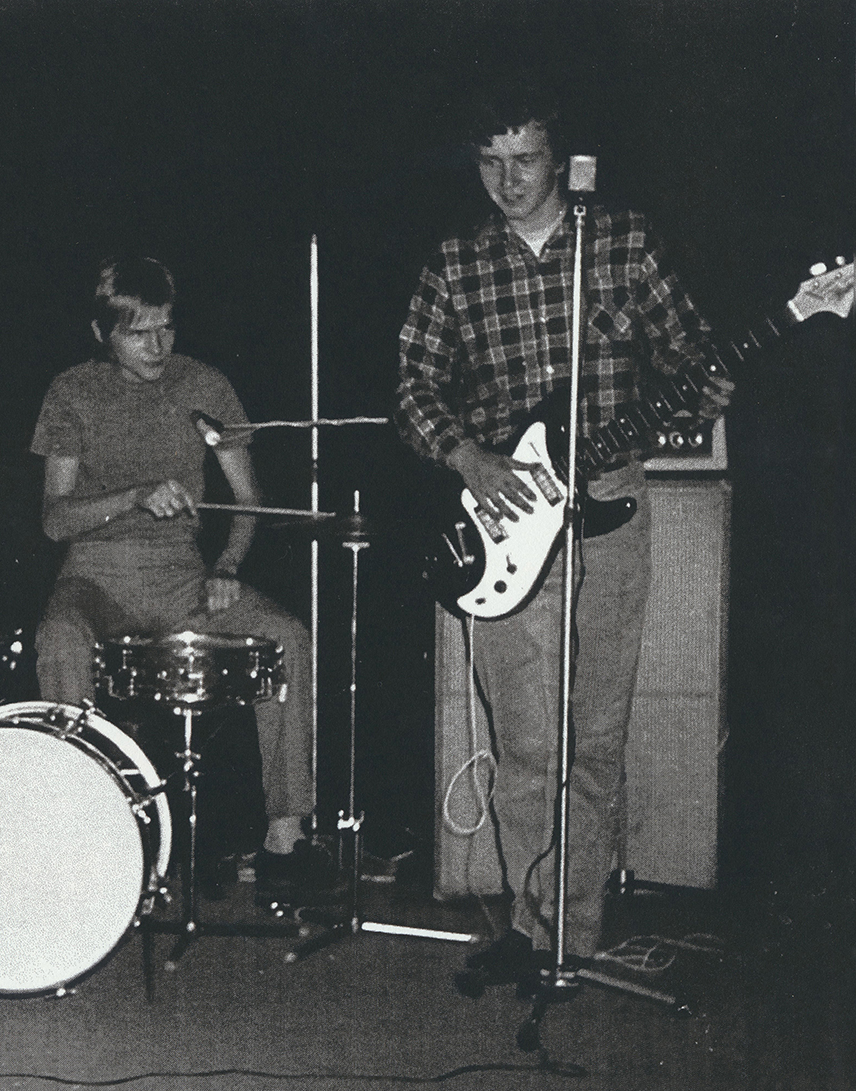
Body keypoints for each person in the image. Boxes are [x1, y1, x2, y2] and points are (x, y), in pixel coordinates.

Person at [396, 81, 728, 985]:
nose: (508, 181)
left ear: (563, 158)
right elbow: (413, 387)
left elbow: (693, 360)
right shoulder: (456, 262)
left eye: (526, 160)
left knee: (595, 735)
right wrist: (469, 457)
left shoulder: (623, 242)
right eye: (490, 162)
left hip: (610, 506)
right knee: (528, 740)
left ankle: (570, 938)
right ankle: (529, 923)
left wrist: (697, 393)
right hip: (507, 514)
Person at [31, 256, 327, 906]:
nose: (157, 345)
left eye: (166, 327)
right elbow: (55, 519)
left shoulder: (205, 385)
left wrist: (226, 567)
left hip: (182, 578)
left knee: (287, 636)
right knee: (59, 638)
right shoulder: (71, 391)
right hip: (96, 576)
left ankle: (285, 836)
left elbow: (248, 500)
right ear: (102, 333)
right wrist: (133, 495)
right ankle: (82, 827)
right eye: (138, 333)